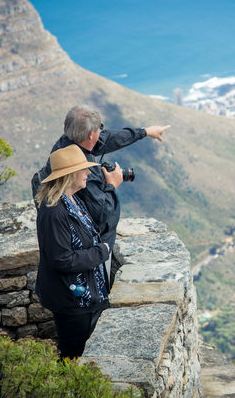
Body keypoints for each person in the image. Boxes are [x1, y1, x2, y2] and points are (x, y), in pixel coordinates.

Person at [32, 104, 170, 288]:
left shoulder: (68, 144)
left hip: (75, 249)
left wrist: (145, 132)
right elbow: (103, 215)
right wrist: (112, 184)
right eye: (99, 129)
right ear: (91, 135)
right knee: (93, 296)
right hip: (87, 254)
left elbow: (108, 139)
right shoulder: (81, 171)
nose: (101, 133)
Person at [34, 144, 110, 358]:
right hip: (73, 300)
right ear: (70, 174)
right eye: (83, 169)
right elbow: (62, 259)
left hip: (85, 297)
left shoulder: (72, 200)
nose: (88, 172)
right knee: (73, 356)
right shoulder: (54, 210)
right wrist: (101, 252)